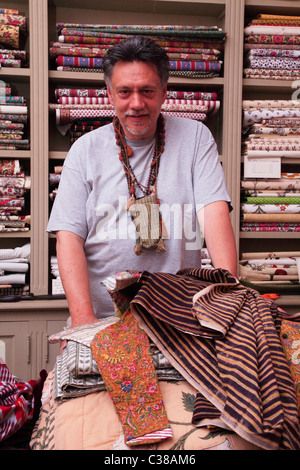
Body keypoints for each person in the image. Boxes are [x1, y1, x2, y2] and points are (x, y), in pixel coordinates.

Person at [47, 36, 237, 328]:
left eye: (147, 91)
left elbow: (214, 214)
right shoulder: (84, 150)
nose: (136, 103)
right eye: (125, 92)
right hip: (103, 318)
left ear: (164, 92)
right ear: (109, 94)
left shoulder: (196, 138)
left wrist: (227, 298)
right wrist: (84, 319)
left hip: (183, 317)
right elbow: (68, 237)